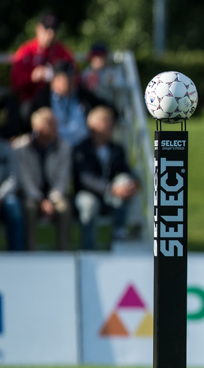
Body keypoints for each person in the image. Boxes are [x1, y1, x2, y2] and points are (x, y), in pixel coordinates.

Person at [73, 106, 140, 250]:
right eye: (106, 123)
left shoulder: (117, 149)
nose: (111, 127)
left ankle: (119, 235)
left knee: (125, 182)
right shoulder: (81, 149)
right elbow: (85, 178)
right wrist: (110, 188)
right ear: (94, 127)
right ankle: (88, 249)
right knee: (88, 205)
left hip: (112, 196)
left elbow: (125, 169)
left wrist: (133, 183)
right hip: (88, 193)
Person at [13, 107, 72, 251]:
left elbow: (62, 178)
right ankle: (30, 255)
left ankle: (63, 253)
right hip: (31, 196)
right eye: (50, 124)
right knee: (29, 208)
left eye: (55, 124)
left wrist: (52, 200)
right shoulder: (20, 147)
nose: (55, 128)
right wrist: (40, 200)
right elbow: (25, 179)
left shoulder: (64, 147)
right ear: (37, 127)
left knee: (64, 209)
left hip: (54, 196)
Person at [32, 61, 114, 146]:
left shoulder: (83, 95)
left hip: (84, 147)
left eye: (71, 77)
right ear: (55, 80)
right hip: (53, 147)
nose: (70, 81)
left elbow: (109, 109)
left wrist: (97, 122)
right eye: (65, 78)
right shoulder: (43, 98)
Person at [10, 12, 77, 115]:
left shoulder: (63, 52)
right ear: (38, 29)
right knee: (27, 110)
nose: (50, 34)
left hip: (60, 101)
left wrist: (61, 80)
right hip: (33, 100)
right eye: (46, 29)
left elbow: (76, 75)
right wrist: (32, 77)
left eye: (54, 30)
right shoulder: (26, 51)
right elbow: (15, 82)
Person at [0, 138, 25, 250]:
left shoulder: (6, 148)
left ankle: (16, 256)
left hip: (4, 197)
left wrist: (1, 195)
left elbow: (13, 178)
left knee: (13, 205)